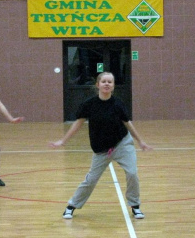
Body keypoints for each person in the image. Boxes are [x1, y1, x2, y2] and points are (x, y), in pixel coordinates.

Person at [49, 72, 152, 219]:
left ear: (113, 86)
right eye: (103, 81)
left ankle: (135, 206)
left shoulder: (118, 104)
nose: (107, 84)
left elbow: (127, 123)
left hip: (122, 144)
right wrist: (63, 141)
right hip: (101, 150)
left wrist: (140, 141)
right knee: (90, 180)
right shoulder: (89, 104)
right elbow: (77, 124)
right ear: (97, 84)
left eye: (110, 82)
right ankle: (72, 205)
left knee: (132, 173)